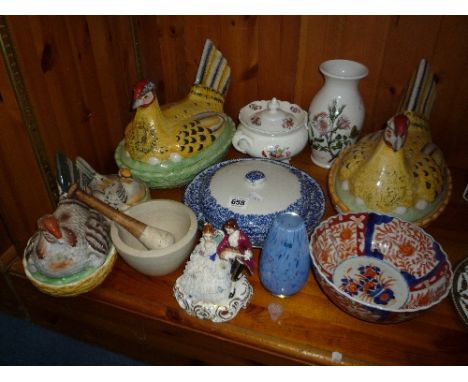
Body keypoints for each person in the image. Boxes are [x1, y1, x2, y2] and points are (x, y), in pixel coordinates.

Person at [217, 219, 255, 297]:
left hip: (241, 258)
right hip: (232, 257)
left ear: (235, 228)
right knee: (231, 270)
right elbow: (221, 246)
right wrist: (221, 251)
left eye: (229, 230)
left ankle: (232, 289)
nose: (227, 231)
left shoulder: (242, 237)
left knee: (233, 275)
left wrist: (248, 252)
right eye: (226, 230)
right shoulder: (228, 238)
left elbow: (249, 246)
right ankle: (236, 276)